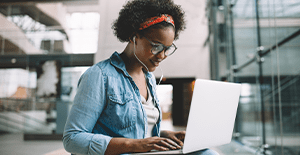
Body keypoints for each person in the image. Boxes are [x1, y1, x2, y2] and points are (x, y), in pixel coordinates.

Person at [63, 0, 219, 155]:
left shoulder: (149, 78)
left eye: (167, 48)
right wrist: (132, 145)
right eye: (156, 46)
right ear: (134, 37)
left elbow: (136, 129)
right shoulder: (99, 76)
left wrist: (164, 136)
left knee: (206, 153)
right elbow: (72, 139)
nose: (162, 56)